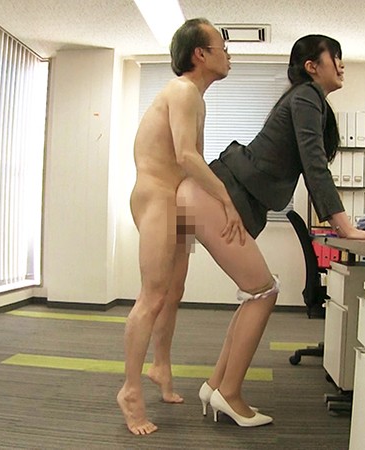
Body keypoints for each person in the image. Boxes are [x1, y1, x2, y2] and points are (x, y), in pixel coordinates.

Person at [176, 34, 365, 427]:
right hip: (217, 195)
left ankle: (216, 385)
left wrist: (344, 224)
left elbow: (310, 165)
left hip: (220, 194)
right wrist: (346, 226)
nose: (341, 65)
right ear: (312, 66)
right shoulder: (306, 97)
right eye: (335, 57)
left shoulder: (307, 100)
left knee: (255, 292)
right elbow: (315, 165)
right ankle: (229, 393)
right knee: (263, 291)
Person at [117, 18, 246, 435]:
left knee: (174, 292)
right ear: (200, 55)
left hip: (176, 200)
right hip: (156, 196)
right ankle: (130, 391)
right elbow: (186, 156)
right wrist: (226, 200)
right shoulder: (182, 90)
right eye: (222, 48)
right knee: (152, 296)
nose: (229, 56)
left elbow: (192, 166)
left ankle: (161, 366)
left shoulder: (196, 98)